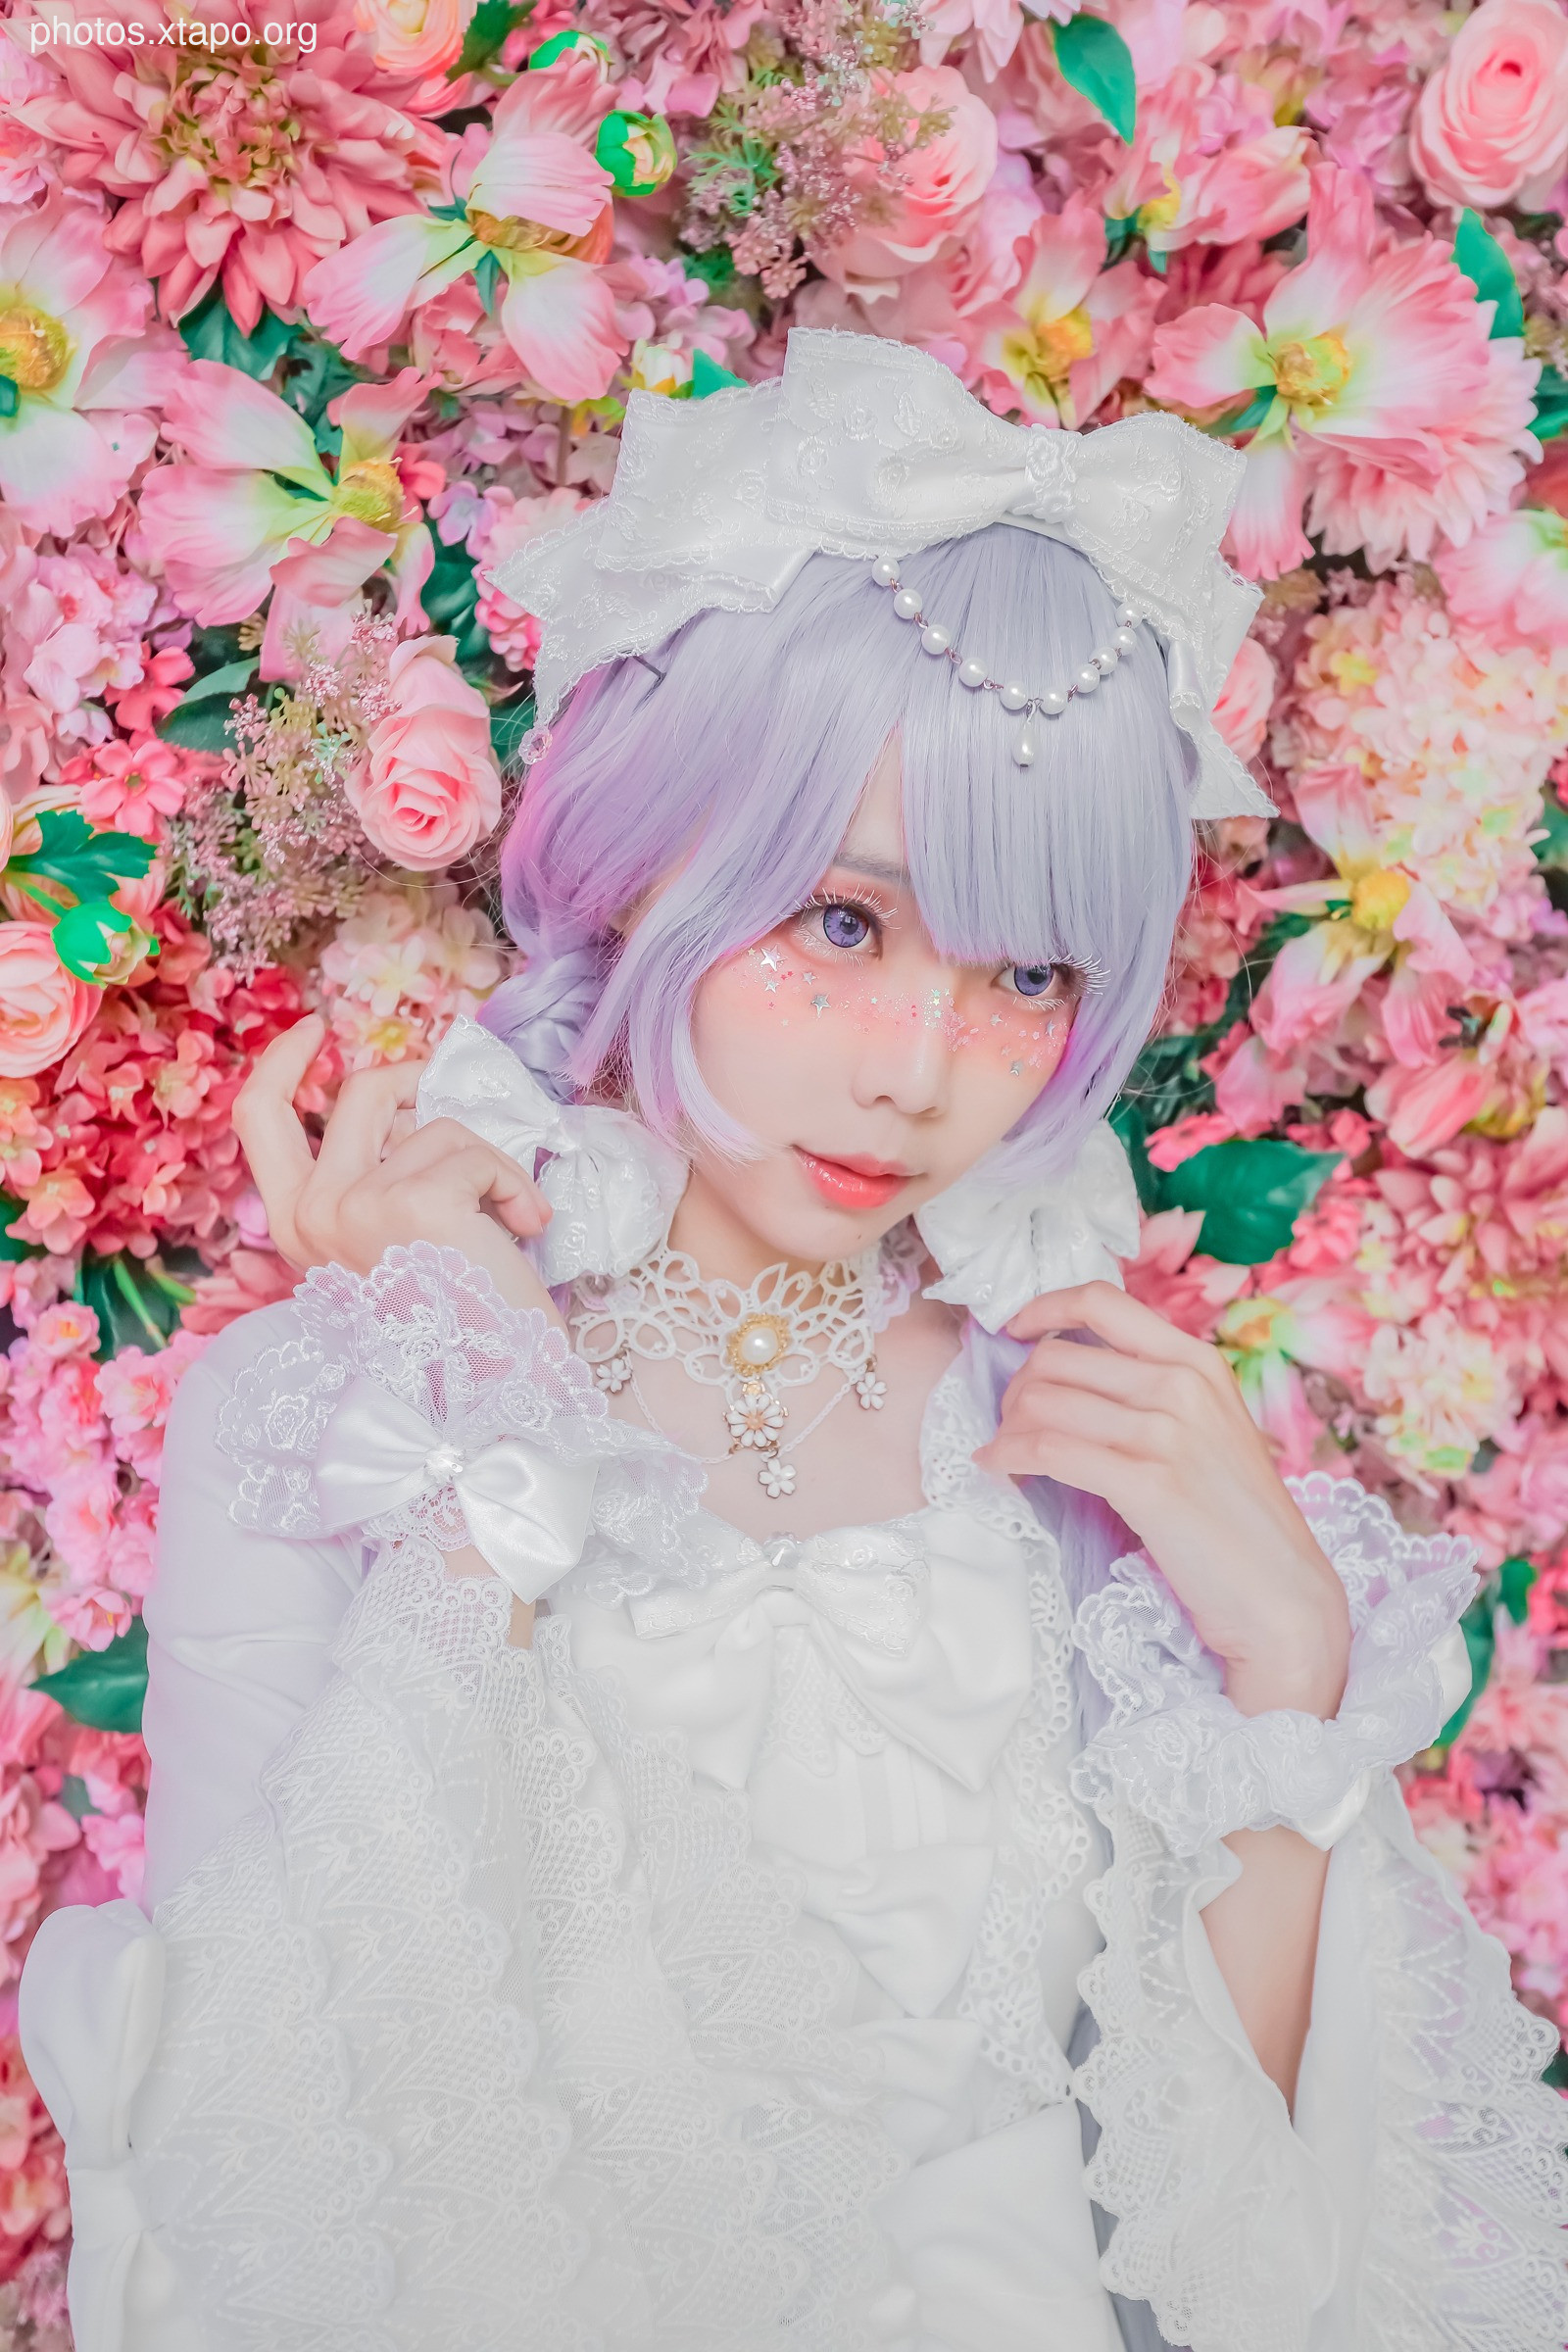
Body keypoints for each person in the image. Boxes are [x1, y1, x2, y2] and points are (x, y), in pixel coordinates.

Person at [22, 330, 1568, 2352]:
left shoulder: (1059, 1432)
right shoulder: (347, 1414)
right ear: (652, 846)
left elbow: (1232, 2264)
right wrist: (497, 1434)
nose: (921, 1073)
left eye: (1023, 972)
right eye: (841, 926)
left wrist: (1282, 1670)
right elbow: (271, 2151)